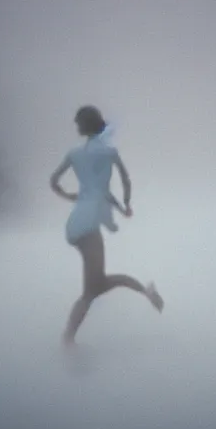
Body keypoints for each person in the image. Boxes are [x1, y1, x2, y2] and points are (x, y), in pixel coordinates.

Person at [50, 105, 164, 347]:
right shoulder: (109, 152)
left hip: (77, 225)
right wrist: (126, 204)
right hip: (88, 227)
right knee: (93, 289)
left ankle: (147, 292)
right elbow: (124, 181)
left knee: (98, 284)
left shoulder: (74, 154)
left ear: (83, 126)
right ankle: (67, 342)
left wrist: (73, 197)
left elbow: (54, 182)